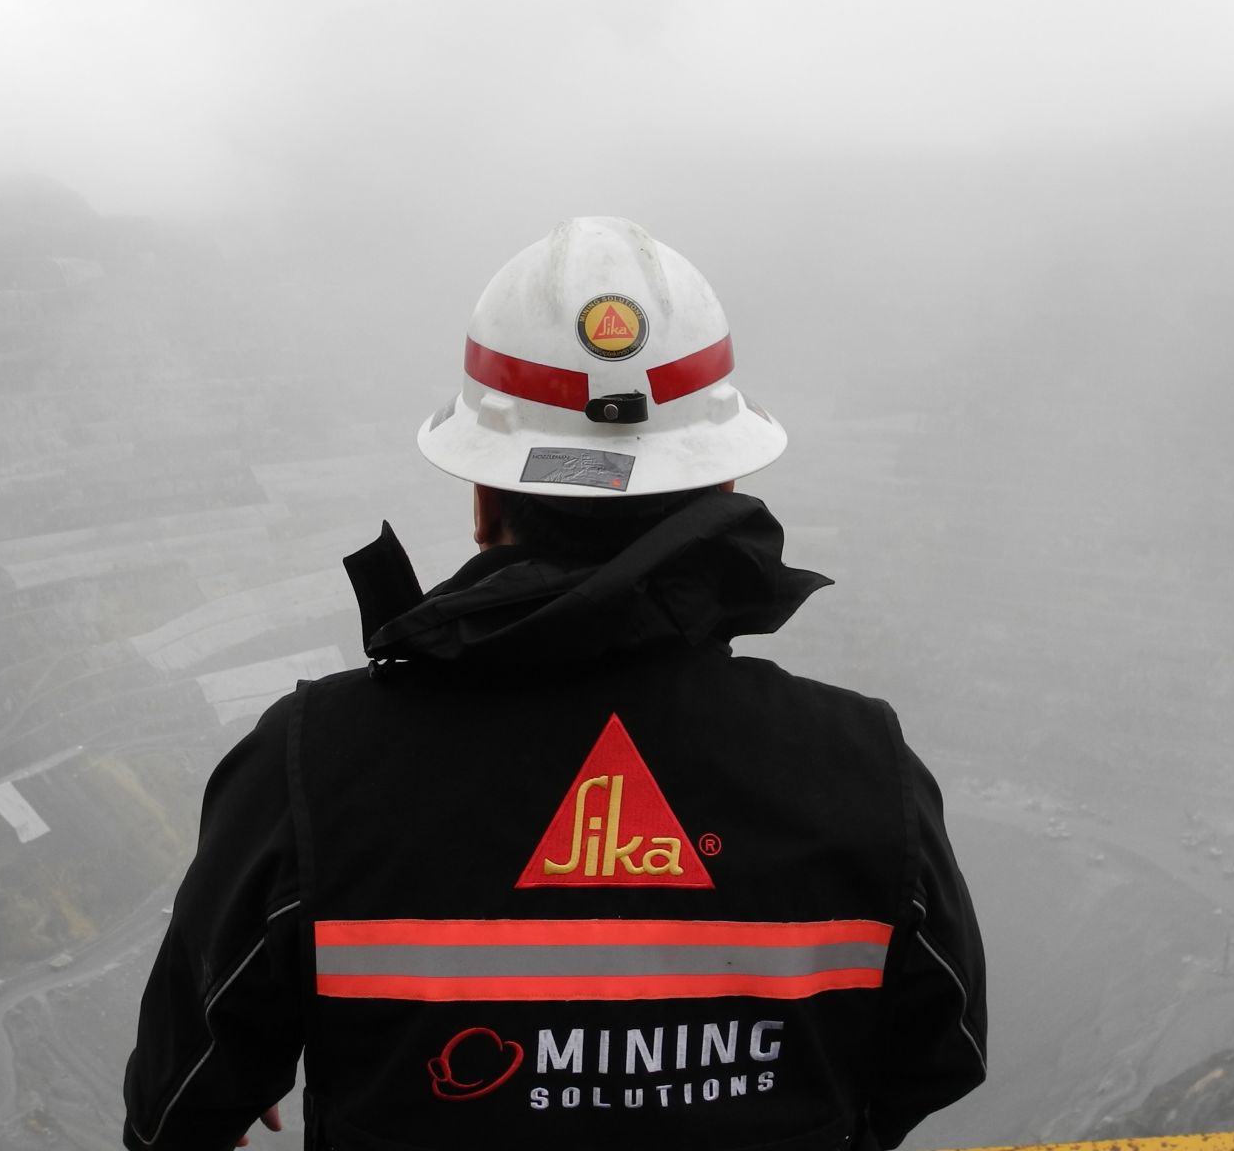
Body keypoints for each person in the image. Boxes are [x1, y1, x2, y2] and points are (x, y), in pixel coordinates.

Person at [123, 217, 986, 1151]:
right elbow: (940, 1053)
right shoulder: (863, 769)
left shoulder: (310, 769)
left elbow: (176, 1107)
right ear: (727, 482)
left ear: (484, 496)